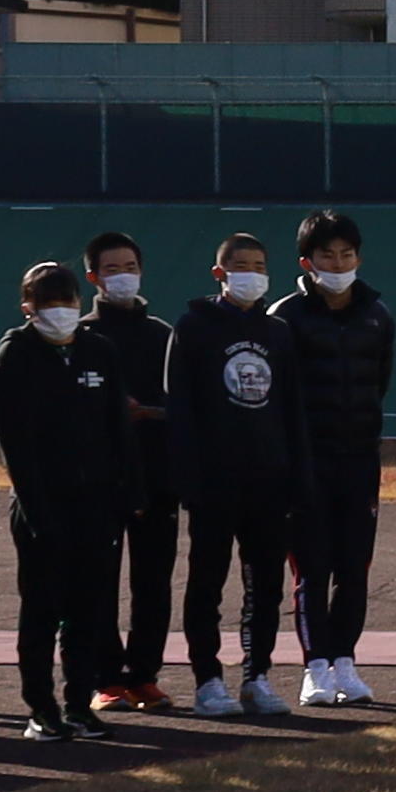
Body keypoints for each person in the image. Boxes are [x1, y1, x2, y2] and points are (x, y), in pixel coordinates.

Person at [0, 259, 127, 741]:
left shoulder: (99, 352)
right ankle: (40, 706)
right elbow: (16, 443)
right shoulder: (16, 356)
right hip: (42, 508)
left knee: (89, 609)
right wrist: (37, 510)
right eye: (47, 302)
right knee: (42, 610)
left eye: (66, 301)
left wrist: (119, 496)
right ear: (27, 307)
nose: (59, 311)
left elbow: (116, 429)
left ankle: (79, 703)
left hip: (95, 506)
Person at [166, 231, 300, 714]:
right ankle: (207, 680)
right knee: (207, 580)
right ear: (219, 273)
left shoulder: (278, 331)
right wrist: (188, 478)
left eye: (260, 265)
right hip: (214, 480)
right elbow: (180, 406)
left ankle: (257, 675)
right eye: (241, 265)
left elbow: (291, 408)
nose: (252, 273)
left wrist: (294, 473)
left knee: (265, 584)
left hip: (269, 478)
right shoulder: (193, 326)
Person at [271, 211, 396, 708]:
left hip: (360, 460)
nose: (338, 262)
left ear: (359, 258)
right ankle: (316, 667)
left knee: (354, 566)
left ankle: (345, 661)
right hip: (304, 465)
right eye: (327, 254)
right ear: (307, 261)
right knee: (312, 568)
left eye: (346, 254)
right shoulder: (284, 318)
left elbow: (379, 383)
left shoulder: (377, 315)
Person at [77, 226, 179, 710]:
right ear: (93, 276)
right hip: (101, 479)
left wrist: (150, 413)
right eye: (112, 270)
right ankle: (106, 678)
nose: (123, 277)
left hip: (156, 474)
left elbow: (184, 403)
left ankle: (144, 674)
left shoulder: (162, 334)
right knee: (98, 579)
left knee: (154, 580)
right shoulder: (80, 335)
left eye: (130, 268)